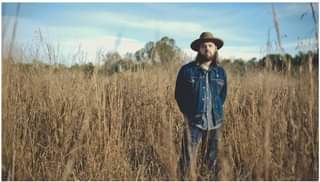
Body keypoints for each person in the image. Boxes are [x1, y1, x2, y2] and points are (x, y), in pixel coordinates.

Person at [175, 32, 227, 180]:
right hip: (193, 123)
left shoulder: (221, 72)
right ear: (198, 49)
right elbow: (179, 95)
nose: (207, 48)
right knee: (187, 161)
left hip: (215, 123)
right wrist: (190, 114)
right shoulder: (187, 71)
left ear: (215, 49)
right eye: (203, 46)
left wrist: (214, 110)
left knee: (213, 161)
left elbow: (222, 96)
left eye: (210, 45)